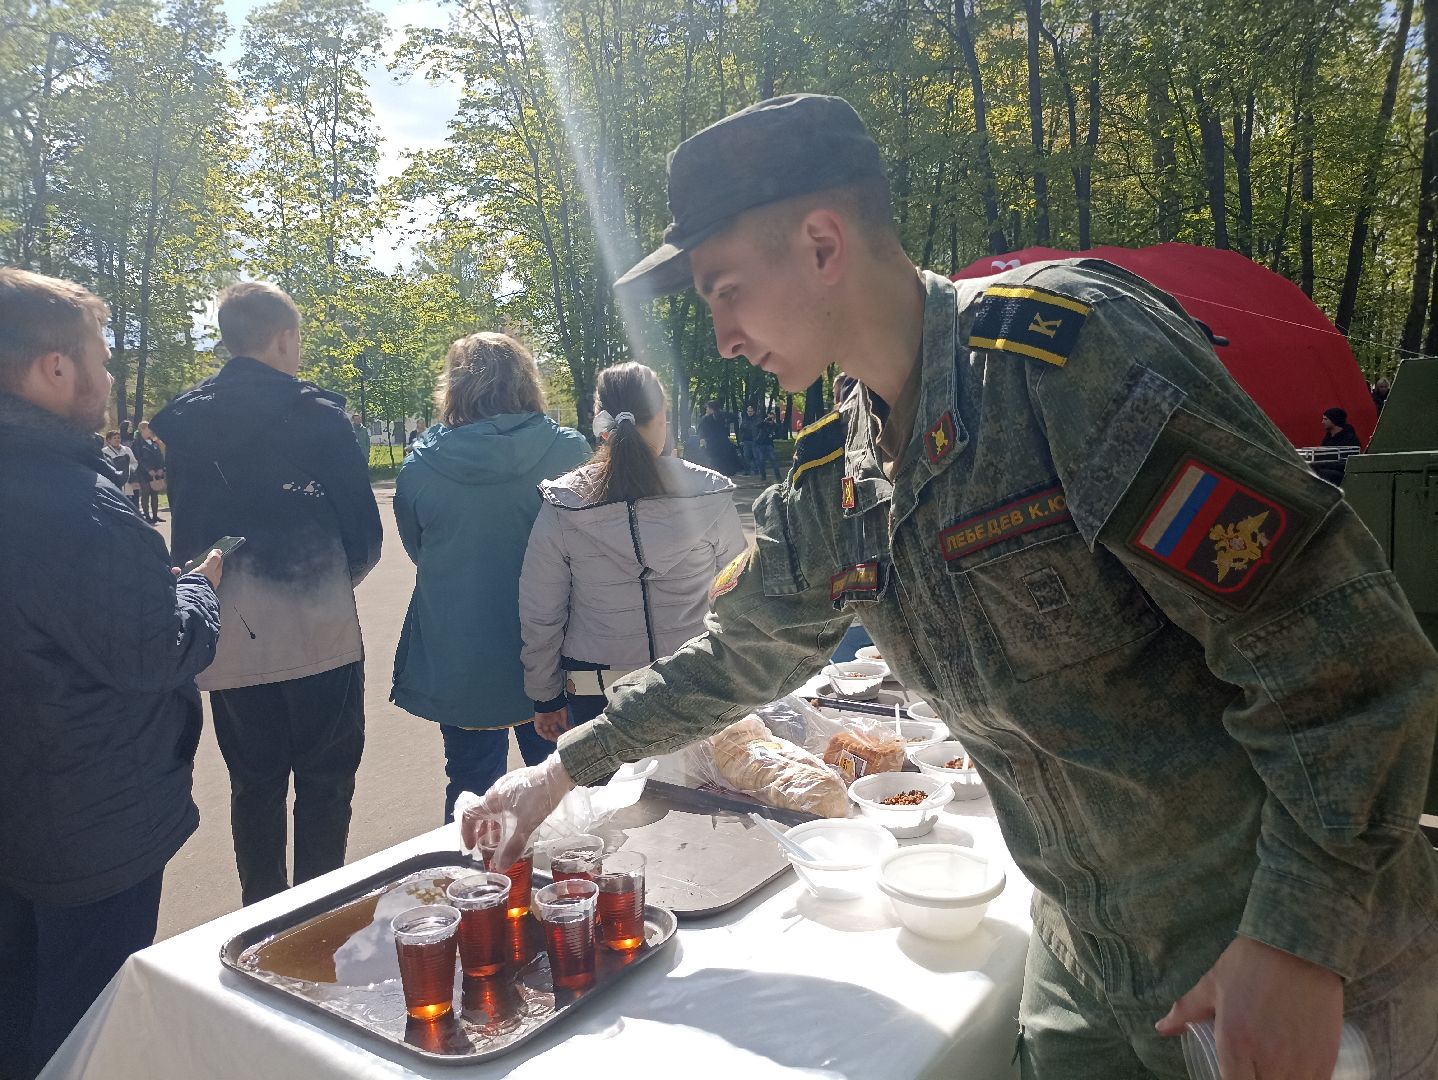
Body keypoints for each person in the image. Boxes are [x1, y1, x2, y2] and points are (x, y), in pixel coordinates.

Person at [466, 95, 1438, 1079]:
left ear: (819, 244)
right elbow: (741, 651)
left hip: (1283, 960)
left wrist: (1293, 942)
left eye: (723, 289)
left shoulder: (1069, 362)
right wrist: (557, 771)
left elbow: (1348, 663)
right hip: (1084, 962)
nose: (718, 335)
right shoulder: (835, 474)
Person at [0, 268, 223, 1080]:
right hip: (88, 812)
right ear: (53, 370)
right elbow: (155, 650)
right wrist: (198, 589)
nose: (105, 375)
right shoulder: (75, 501)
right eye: (96, 354)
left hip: (22, 797)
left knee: (20, 998)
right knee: (89, 1019)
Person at [152, 282, 383, 906]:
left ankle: (260, 913)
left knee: (252, 785)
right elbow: (364, 537)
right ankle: (317, 912)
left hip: (229, 636)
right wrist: (325, 584)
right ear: (284, 339)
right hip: (320, 634)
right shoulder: (321, 420)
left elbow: (187, 542)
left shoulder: (187, 426)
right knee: (327, 782)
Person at [390, 333, 590, 822]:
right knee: (562, 783)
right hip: (555, 650)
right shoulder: (570, 452)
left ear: (454, 389)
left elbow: (420, 549)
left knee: (470, 789)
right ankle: (568, 889)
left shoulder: (421, 464)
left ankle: (474, 889)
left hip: (464, 652)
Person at [519, 361, 745, 744]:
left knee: (609, 800)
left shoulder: (563, 503)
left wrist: (545, 695)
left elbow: (541, 611)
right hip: (696, 678)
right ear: (662, 417)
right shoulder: (710, 494)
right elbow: (738, 600)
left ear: (599, 422)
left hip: (596, 690)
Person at [1315, 406, 1361, 485]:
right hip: (1327, 469)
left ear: (1334, 420)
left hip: (1341, 474)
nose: (1323, 422)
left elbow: (1348, 463)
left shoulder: (1350, 440)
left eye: (1325, 419)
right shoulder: (1328, 438)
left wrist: (1324, 465)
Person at [131, 419, 166, 523]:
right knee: (145, 493)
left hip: (156, 472)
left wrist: (160, 468)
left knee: (155, 494)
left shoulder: (154, 442)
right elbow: (138, 458)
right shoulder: (137, 443)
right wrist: (148, 470)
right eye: (148, 428)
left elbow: (160, 456)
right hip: (143, 473)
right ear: (142, 429)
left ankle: (155, 516)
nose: (151, 430)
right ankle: (147, 516)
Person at [100, 428, 140, 510]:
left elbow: (134, 462)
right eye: (114, 438)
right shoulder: (104, 452)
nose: (117, 440)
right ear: (109, 440)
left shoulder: (127, 449)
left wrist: (129, 469)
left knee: (131, 502)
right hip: (114, 480)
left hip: (128, 480)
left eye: (118, 438)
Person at [696, 399, 734, 474]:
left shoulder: (705, 419)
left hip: (712, 443)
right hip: (723, 443)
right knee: (723, 462)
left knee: (714, 462)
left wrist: (702, 440)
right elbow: (734, 417)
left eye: (707, 408)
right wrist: (726, 422)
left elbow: (701, 430)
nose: (706, 409)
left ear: (711, 409)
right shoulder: (722, 415)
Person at [753, 409, 781, 483]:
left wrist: (773, 435)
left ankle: (778, 476)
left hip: (769, 445)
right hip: (761, 444)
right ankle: (763, 476)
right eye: (769, 418)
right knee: (761, 461)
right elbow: (757, 426)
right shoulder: (764, 424)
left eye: (772, 418)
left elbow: (779, 434)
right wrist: (765, 420)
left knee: (773, 460)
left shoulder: (775, 426)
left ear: (774, 418)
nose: (770, 420)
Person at [737, 402, 760, 474]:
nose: (749, 413)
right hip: (746, 441)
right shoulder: (745, 420)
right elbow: (741, 431)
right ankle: (747, 470)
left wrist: (758, 439)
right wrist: (741, 440)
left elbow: (760, 430)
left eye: (751, 411)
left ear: (753, 411)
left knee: (755, 456)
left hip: (754, 441)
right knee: (747, 456)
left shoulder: (757, 419)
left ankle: (756, 470)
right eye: (748, 411)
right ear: (747, 412)